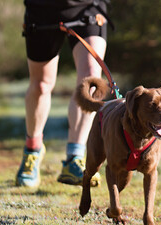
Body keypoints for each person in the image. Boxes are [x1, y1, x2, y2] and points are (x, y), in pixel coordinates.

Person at [15, 0, 110, 187]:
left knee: (91, 77)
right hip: (42, 9)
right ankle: (32, 150)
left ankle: (75, 157)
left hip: (87, 5)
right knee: (41, 85)